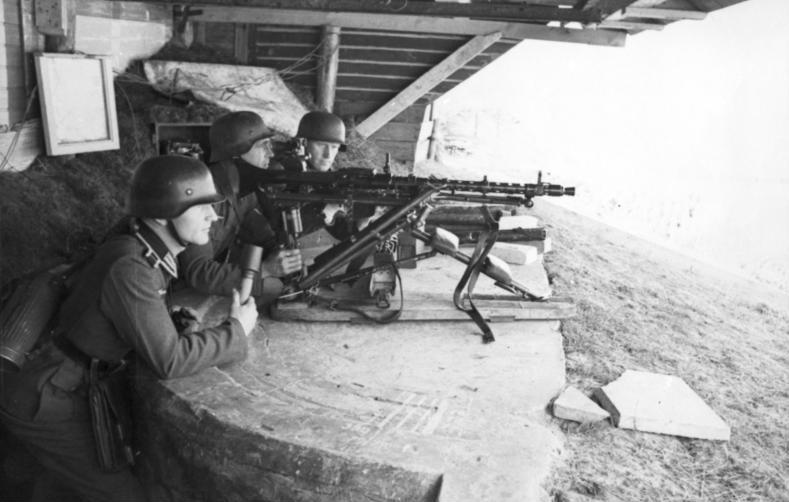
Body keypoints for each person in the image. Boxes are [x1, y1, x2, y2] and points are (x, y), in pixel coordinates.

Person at [0, 155, 259, 502]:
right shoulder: (132, 265)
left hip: (57, 383)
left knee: (45, 482)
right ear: (163, 213)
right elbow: (169, 360)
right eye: (201, 208)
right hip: (47, 397)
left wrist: (168, 318)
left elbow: (119, 311)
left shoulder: (137, 244)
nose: (214, 216)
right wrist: (236, 331)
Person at [177, 111, 303, 304]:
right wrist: (266, 269)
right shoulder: (204, 197)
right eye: (262, 146)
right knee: (270, 287)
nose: (270, 153)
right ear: (236, 153)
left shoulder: (244, 190)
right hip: (177, 291)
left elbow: (260, 234)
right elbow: (199, 273)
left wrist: (285, 259)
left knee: (276, 286)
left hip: (205, 283)